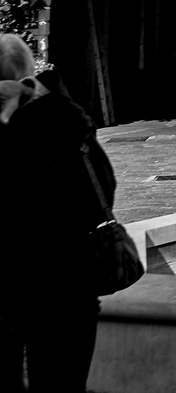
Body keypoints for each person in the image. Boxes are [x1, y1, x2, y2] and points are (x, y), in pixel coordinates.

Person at [0, 33, 113, 393]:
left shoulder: (59, 125)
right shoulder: (67, 123)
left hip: (46, 289)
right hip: (66, 290)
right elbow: (102, 190)